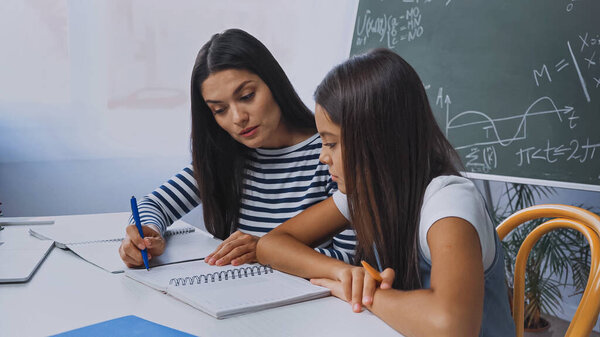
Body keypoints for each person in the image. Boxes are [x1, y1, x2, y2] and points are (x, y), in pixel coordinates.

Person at [256, 49, 515, 337]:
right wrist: (344, 273)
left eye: (331, 144)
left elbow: (450, 326)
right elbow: (271, 245)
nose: (323, 157)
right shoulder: (367, 193)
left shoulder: (448, 203)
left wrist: (365, 294)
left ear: (376, 142)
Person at [119, 29, 355, 268]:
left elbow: (354, 262)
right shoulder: (228, 156)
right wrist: (146, 234)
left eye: (247, 96)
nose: (238, 118)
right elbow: (154, 204)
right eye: (219, 110)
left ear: (273, 84)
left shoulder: (331, 154)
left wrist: (266, 250)